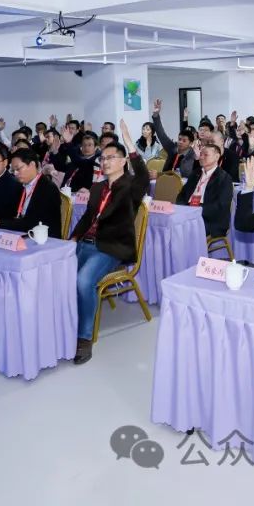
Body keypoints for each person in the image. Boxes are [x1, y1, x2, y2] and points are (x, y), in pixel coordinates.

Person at [69, 121, 151, 364]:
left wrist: (129, 143)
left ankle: (84, 338)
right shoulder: (97, 188)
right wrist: (72, 239)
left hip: (109, 247)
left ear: (123, 161)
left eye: (110, 157)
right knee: (59, 275)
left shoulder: (130, 186)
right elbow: (87, 218)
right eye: (102, 158)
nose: (104, 162)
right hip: (85, 243)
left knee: (84, 281)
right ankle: (65, 324)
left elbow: (143, 175)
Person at [0, 149, 61, 234]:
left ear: (32, 165)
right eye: (13, 170)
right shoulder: (24, 186)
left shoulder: (47, 188)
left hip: (44, 238)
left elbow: (32, 223)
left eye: (18, 169)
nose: (15, 173)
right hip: (23, 233)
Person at [177, 143, 234, 241]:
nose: (201, 157)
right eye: (201, 154)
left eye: (205, 155)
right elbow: (182, 195)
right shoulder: (195, 173)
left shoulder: (224, 178)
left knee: (185, 229)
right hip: (189, 213)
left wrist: (196, 212)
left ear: (217, 157)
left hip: (210, 220)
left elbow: (220, 206)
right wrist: (183, 209)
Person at [152, 99, 196, 178]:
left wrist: (159, 174)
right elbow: (161, 134)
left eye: (184, 141)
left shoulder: (192, 156)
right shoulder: (173, 148)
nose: (180, 142)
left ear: (191, 143)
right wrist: (156, 115)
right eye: (179, 139)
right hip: (165, 182)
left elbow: (184, 174)